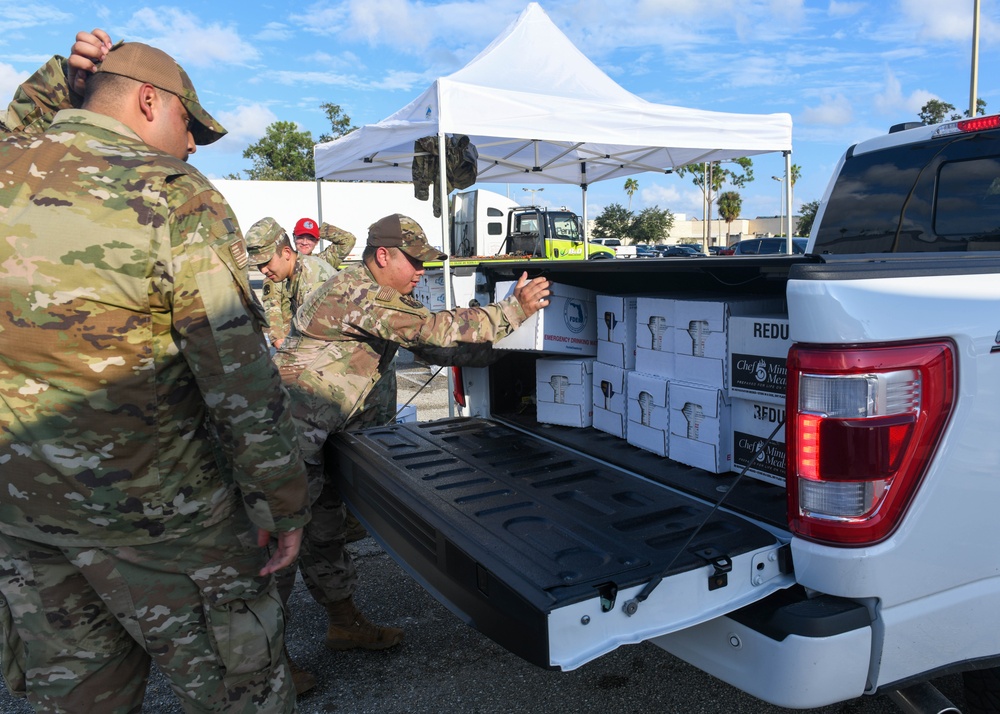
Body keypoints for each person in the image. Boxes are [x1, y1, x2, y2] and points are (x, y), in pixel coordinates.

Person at [0, 30, 309, 713]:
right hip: (166, 522)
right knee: (240, 693)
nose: (194, 144)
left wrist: (56, 80)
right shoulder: (172, 194)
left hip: (24, 519)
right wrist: (280, 503)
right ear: (147, 101)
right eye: (189, 124)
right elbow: (239, 381)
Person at [272, 213, 550, 660]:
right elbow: (434, 329)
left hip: (321, 437)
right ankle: (264, 667)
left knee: (324, 534)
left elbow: (434, 346)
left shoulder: (383, 297)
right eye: (415, 261)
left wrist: (511, 362)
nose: (422, 271)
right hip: (288, 443)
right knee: (280, 548)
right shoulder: (359, 293)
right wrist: (514, 308)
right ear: (383, 255)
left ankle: (342, 623)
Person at [262, 217, 356, 348]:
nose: (305, 242)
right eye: (301, 237)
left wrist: (318, 230)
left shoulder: (322, 261)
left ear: (317, 241)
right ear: (293, 238)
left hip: (319, 334)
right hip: (290, 335)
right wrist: (277, 337)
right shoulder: (279, 267)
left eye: (310, 238)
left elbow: (348, 240)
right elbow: (272, 306)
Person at [249, 216, 338, 350]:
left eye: (266, 262)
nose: (263, 270)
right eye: (258, 265)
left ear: (286, 252)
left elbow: (321, 339)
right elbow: (272, 306)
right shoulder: (294, 270)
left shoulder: (310, 279)